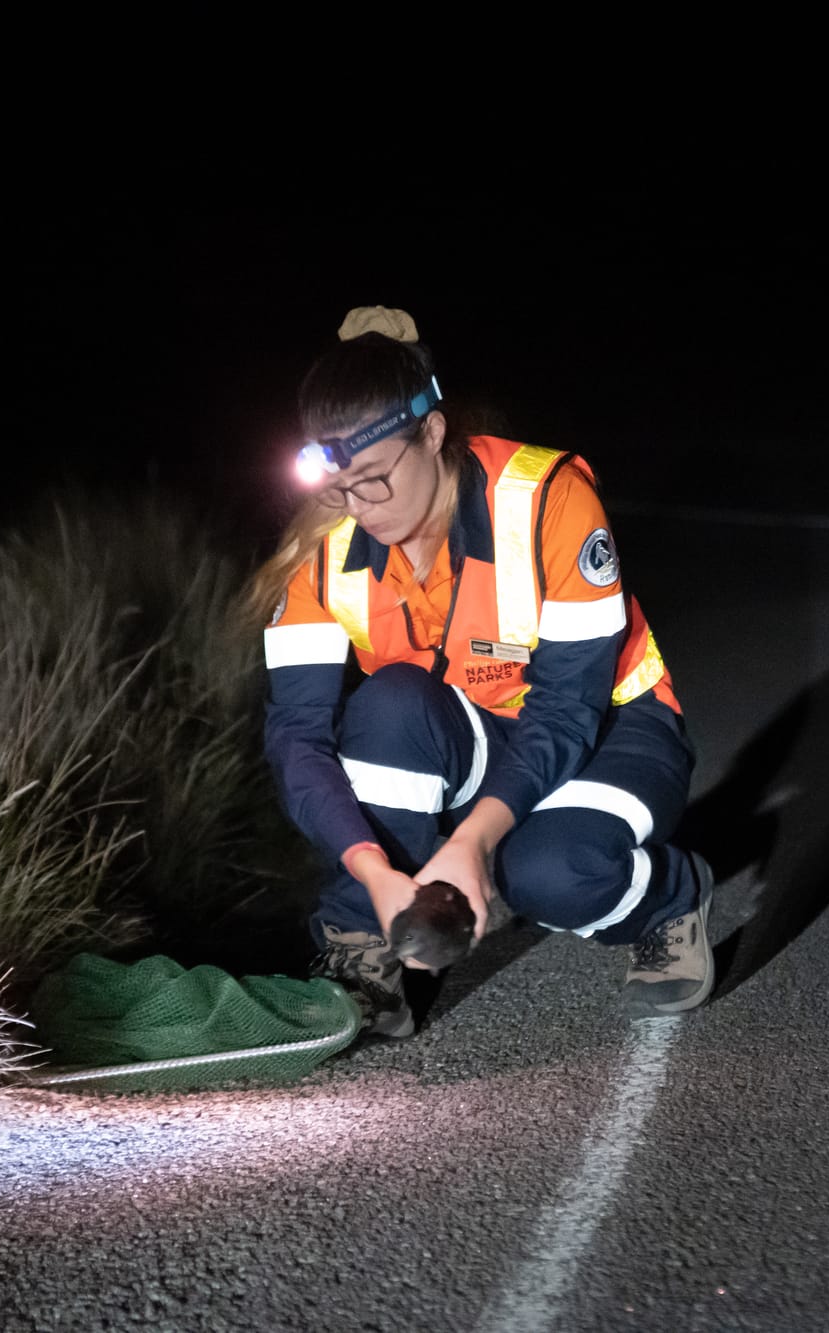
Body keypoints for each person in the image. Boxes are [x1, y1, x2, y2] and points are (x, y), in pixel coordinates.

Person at [249, 306, 714, 1037]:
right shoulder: (327, 544)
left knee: (543, 873)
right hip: (481, 740)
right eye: (339, 486)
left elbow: (567, 713)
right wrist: (371, 870)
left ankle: (670, 897)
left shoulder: (548, 500)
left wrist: (472, 844)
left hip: (613, 731)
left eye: (374, 479)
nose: (359, 506)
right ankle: (363, 950)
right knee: (390, 705)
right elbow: (295, 738)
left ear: (431, 433)